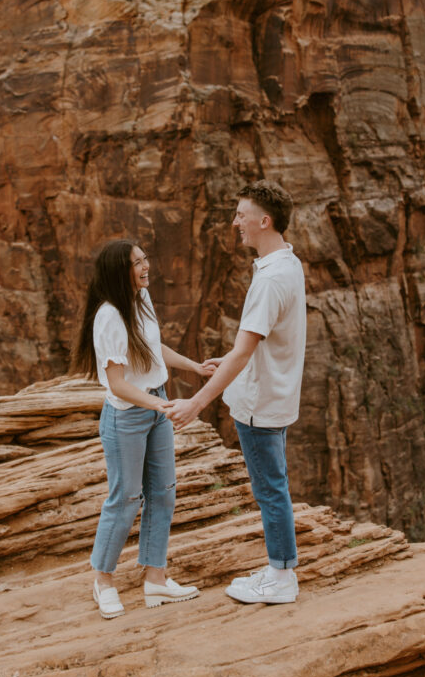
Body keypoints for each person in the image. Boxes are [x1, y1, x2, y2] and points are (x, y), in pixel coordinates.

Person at [166, 181, 306, 605]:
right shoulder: (286, 262)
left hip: (261, 404)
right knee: (272, 487)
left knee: (270, 491)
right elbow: (253, 346)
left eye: (242, 214)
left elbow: (245, 353)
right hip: (273, 396)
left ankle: (282, 578)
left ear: (264, 221)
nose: (235, 222)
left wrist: (196, 402)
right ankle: (278, 566)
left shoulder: (270, 280)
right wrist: (222, 361)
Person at [70, 238, 211, 619]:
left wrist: (195, 368)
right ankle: (103, 580)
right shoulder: (109, 316)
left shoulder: (141, 299)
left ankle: (156, 579)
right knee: (126, 497)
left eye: (145, 258)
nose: (146, 266)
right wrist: (160, 406)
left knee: (163, 492)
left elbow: (154, 348)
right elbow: (117, 384)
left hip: (154, 407)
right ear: (120, 271)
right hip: (127, 417)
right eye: (137, 263)